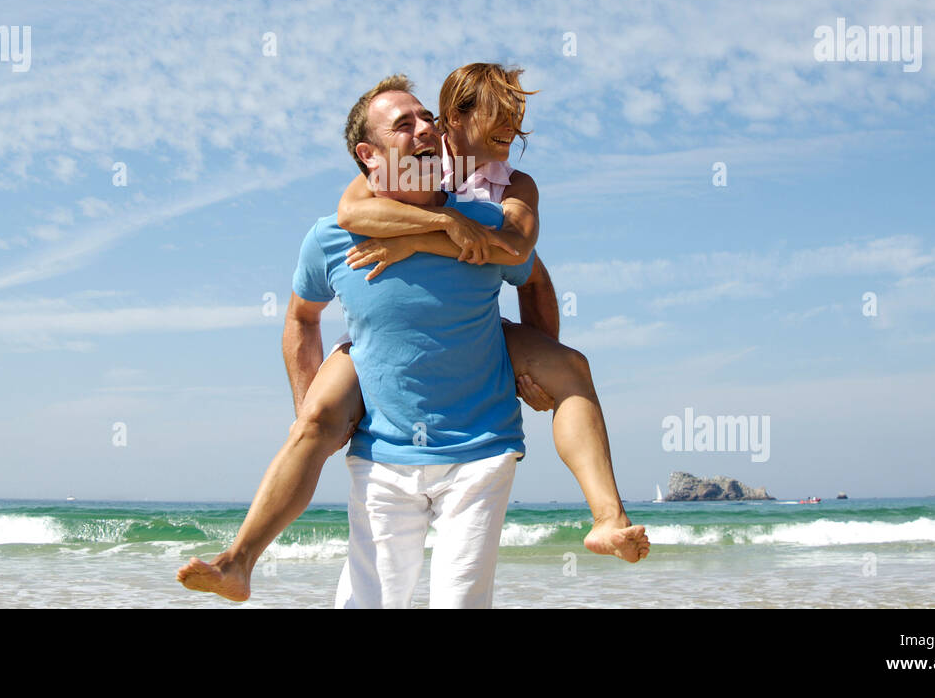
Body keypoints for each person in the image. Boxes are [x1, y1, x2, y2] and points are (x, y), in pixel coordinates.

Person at [178, 70, 647, 604]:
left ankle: (608, 516)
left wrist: (528, 363)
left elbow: (524, 263)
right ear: (371, 153)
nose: (424, 128)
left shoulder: (496, 207)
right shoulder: (342, 226)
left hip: (480, 422)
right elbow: (324, 271)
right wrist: (439, 228)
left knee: (571, 368)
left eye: (426, 117)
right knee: (314, 422)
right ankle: (237, 562)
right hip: (380, 432)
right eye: (406, 123)